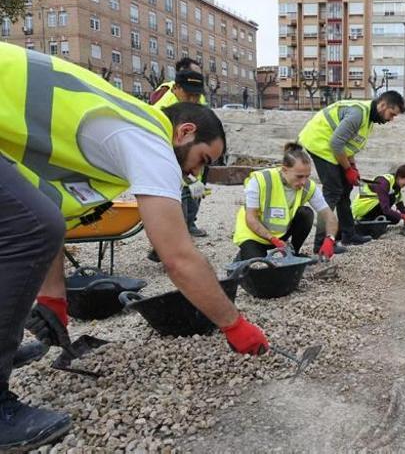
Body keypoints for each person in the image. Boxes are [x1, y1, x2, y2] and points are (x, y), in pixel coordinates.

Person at [0, 43, 267, 451]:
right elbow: (177, 257)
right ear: (185, 132)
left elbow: (46, 210)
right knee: (29, 227)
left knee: (28, 224)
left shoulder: (114, 123)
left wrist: (52, 297)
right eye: (201, 159)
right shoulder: (149, 139)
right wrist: (235, 325)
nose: (196, 172)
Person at [297, 91, 405, 252]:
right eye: (392, 114)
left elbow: (349, 145)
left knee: (345, 189)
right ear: (382, 105)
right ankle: (320, 245)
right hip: (319, 143)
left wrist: (353, 167)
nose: (391, 119)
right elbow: (336, 143)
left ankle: (349, 235)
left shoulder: (368, 119)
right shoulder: (358, 114)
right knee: (332, 192)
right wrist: (347, 169)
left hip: (332, 147)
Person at [233, 142, 338, 260]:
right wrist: (272, 239)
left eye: (307, 176)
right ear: (284, 170)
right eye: (299, 176)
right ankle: (244, 255)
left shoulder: (308, 187)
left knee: (306, 213)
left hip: (279, 237)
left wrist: (330, 239)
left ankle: (293, 253)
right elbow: (251, 218)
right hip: (253, 235)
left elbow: (329, 216)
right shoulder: (261, 180)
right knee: (258, 268)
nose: (304, 182)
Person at [151, 69, 210, 239]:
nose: (193, 100)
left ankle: (189, 225)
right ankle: (172, 241)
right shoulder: (163, 109)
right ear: (176, 88)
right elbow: (164, 145)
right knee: (178, 202)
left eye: (197, 96)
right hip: (173, 162)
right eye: (189, 95)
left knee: (195, 196)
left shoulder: (198, 100)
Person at [352, 165, 405, 239]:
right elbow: (386, 209)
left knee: (395, 219)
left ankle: (375, 221)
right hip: (362, 210)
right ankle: (367, 222)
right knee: (391, 198)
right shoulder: (383, 183)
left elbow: (400, 206)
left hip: (373, 209)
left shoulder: (395, 186)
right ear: (399, 177)